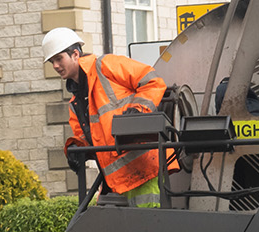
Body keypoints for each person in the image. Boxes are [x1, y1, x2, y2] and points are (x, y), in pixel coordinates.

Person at [47, 27, 169, 206]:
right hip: (115, 182)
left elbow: (152, 81)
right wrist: (75, 150)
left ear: (75, 54)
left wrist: (139, 110)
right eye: (51, 61)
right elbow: (86, 137)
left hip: (143, 171)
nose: (55, 66)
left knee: (148, 228)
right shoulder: (75, 102)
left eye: (59, 58)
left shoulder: (106, 65)